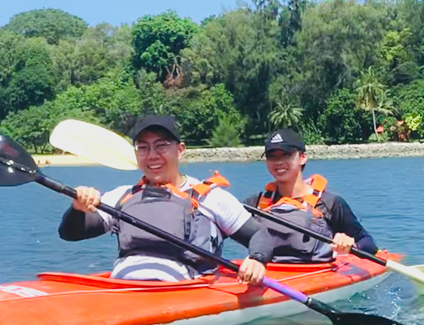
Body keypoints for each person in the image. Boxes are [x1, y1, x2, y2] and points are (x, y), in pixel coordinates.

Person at [58, 115, 273, 285]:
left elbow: (259, 235)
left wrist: (256, 259)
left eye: (161, 146)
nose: (152, 155)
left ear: (180, 150)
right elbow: (70, 234)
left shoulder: (210, 198)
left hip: (185, 290)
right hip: (123, 287)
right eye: (143, 148)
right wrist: (77, 209)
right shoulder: (123, 196)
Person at [243, 129, 377, 264]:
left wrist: (352, 244)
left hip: (315, 275)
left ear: (302, 157)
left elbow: (368, 243)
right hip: (267, 273)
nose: (278, 162)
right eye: (272, 156)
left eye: (286, 155)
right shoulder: (254, 204)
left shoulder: (330, 203)